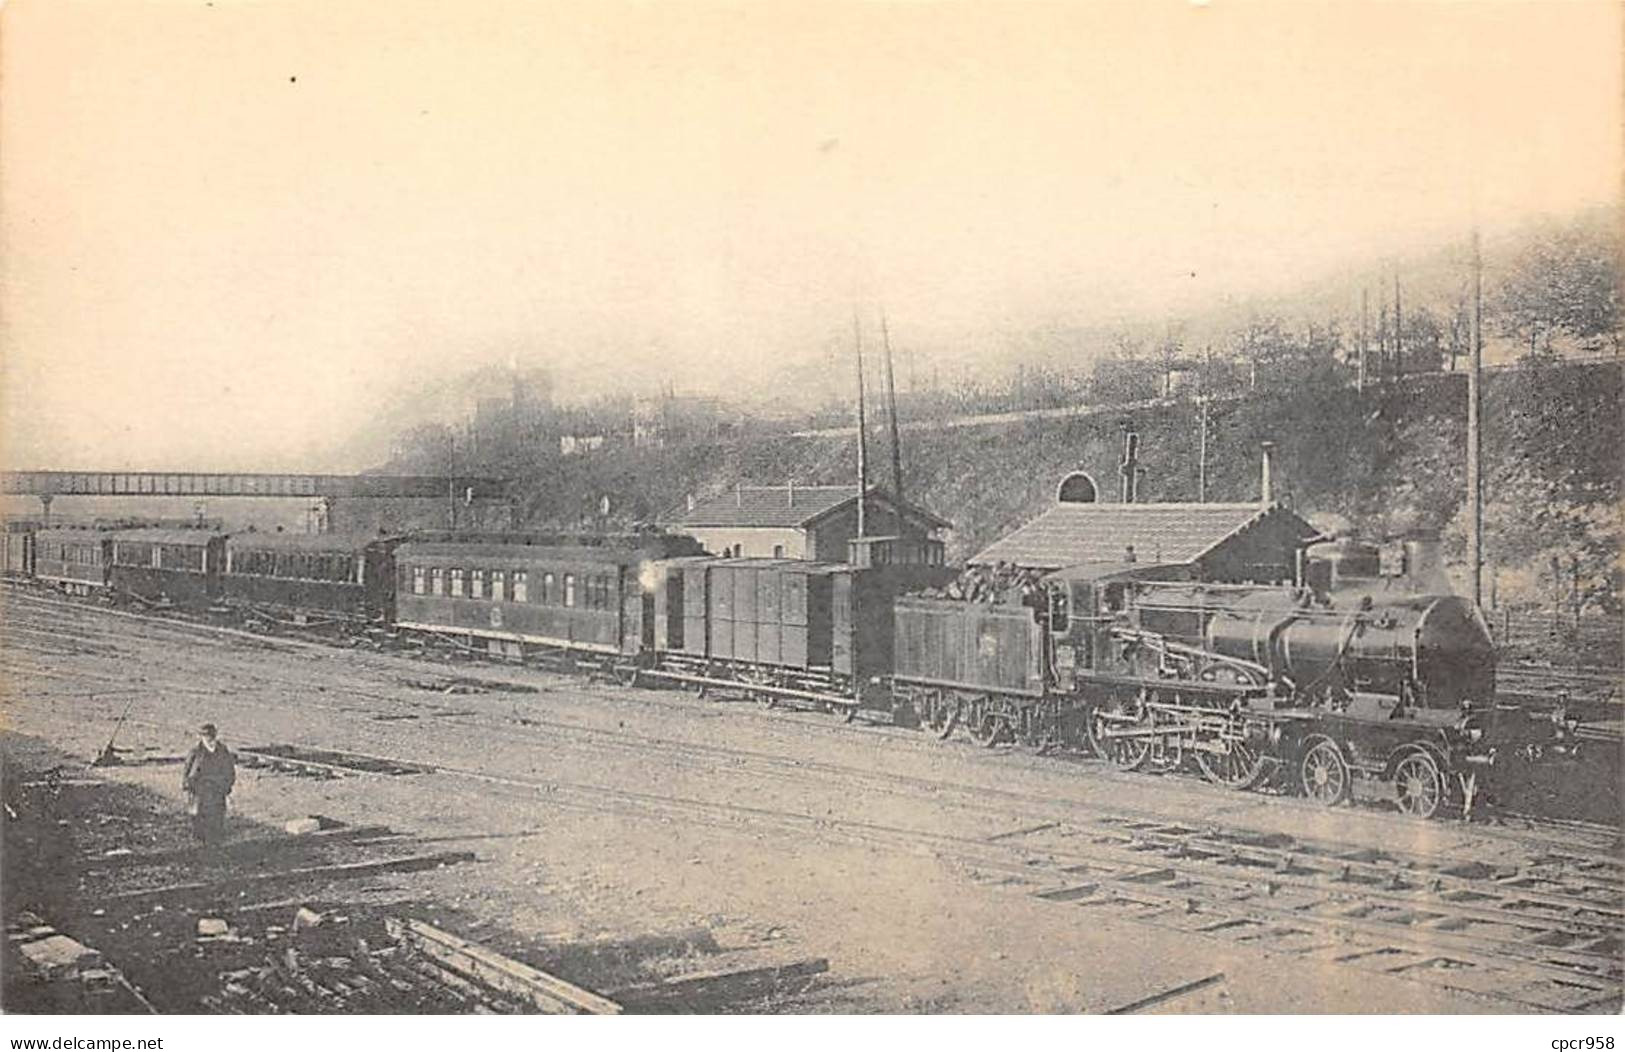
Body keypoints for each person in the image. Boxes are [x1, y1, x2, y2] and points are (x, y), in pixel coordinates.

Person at [182, 723, 236, 846]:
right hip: (201, 791)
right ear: (201, 737)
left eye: (211, 736)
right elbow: (187, 771)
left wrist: (227, 786)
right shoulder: (196, 752)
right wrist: (187, 787)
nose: (209, 739)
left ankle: (216, 843)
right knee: (200, 818)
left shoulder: (222, 751)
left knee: (217, 817)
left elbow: (230, 770)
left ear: (215, 736)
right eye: (206, 736)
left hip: (217, 790)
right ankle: (201, 843)